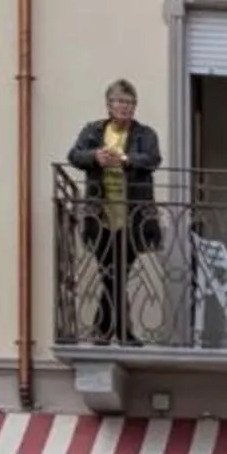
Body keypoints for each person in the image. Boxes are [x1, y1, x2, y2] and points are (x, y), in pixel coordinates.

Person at [66, 81, 162, 339]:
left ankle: (105, 331)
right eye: (120, 102)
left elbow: (153, 159)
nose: (125, 107)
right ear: (109, 105)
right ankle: (120, 332)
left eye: (130, 103)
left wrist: (126, 160)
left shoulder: (145, 134)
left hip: (133, 218)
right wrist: (95, 157)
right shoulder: (94, 131)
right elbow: (74, 155)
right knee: (111, 273)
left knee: (116, 273)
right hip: (100, 218)